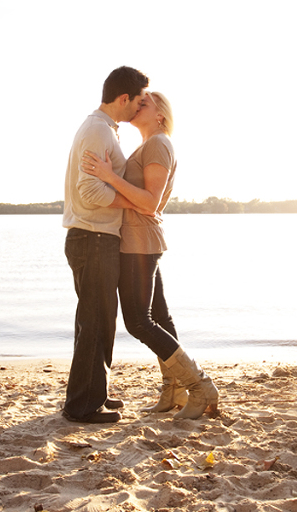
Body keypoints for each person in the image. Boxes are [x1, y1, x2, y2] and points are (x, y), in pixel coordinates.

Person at [82, 92, 219, 420]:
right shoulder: (149, 145)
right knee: (160, 317)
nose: (138, 104)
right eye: (137, 101)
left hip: (139, 242)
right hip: (141, 239)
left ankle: (199, 386)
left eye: (146, 103)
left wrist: (108, 176)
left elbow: (150, 201)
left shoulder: (158, 144)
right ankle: (173, 390)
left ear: (161, 115)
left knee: (139, 321)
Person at [62, 66, 149, 424]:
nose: (140, 108)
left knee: (100, 320)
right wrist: (135, 202)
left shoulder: (102, 129)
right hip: (92, 237)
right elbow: (90, 190)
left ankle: (94, 393)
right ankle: (82, 406)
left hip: (96, 238)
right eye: (139, 101)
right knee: (95, 321)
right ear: (123, 98)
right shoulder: (98, 130)